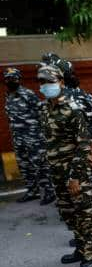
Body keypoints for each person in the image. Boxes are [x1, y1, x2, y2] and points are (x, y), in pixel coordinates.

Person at [37, 65, 92, 267]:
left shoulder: (73, 109)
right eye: (42, 82)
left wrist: (75, 176)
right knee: (68, 213)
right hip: (56, 172)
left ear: (62, 83)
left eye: (50, 81)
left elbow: (83, 145)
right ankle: (81, 249)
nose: (46, 86)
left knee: (84, 214)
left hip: (75, 174)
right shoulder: (44, 109)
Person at [41, 53, 92, 237]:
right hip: (74, 152)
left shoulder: (79, 96)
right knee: (82, 192)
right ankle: (87, 232)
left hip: (85, 149)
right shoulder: (52, 102)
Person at [3, 67, 56, 204]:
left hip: (33, 137)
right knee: (24, 166)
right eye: (8, 79)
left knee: (40, 165)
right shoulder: (8, 95)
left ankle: (49, 192)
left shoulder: (28, 94)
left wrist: (41, 133)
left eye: (14, 78)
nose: (11, 81)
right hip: (18, 138)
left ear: (19, 79)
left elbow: (41, 113)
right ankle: (32, 191)